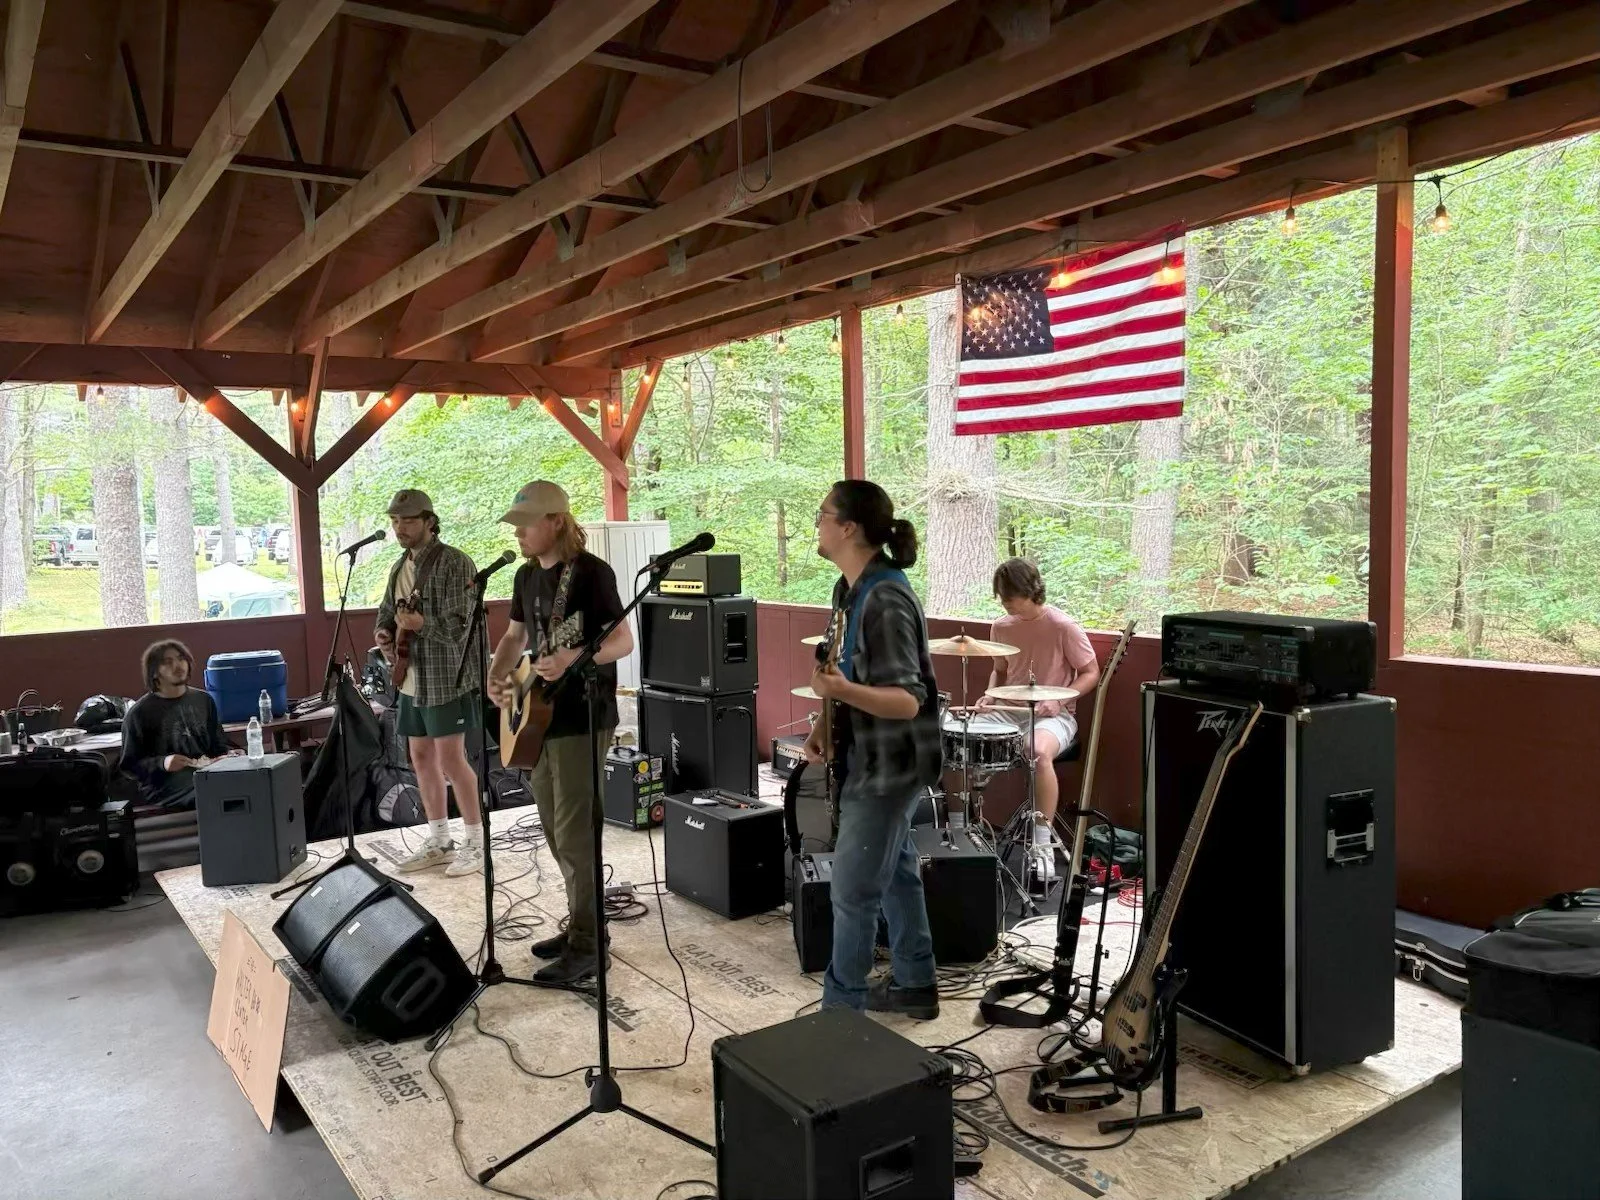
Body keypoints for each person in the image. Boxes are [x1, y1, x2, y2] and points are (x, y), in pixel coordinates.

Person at [803, 480, 943, 1019]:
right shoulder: (848, 591)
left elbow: (908, 700)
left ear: (848, 527)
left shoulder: (886, 598)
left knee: (853, 890)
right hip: (864, 753)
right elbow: (841, 671)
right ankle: (914, 982)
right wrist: (824, 721)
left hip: (893, 764)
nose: (816, 525)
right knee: (899, 868)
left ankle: (842, 1014)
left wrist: (838, 693)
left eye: (822, 515)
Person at [487, 481, 631, 985]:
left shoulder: (591, 575)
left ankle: (591, 945)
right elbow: (515, 636)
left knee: (574, 833)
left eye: (526, 523)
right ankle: (582, 929)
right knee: (553, 828)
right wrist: (498, 675)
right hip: (538, 720)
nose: (520, 533)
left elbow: (622, 640)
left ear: (555, 522)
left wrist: (575, 656)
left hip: (581, 718)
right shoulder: (528, 576)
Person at [374, 488, 486, 878]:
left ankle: (476, 842)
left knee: (452, 759)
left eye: (407, 520)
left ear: (429, 521)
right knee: (419, 757)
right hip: (411, 677)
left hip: (446, 677)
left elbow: (464, 625)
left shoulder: (455, 563)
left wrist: (423, 625)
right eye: (395, 521)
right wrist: (385, 635)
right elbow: (388, 612)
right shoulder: (398, 566)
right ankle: (439, 838)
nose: (400, 528)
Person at [976, 557, 1101, 885]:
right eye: (1000, 596)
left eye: (1009, 595)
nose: (1003, 602)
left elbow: (1091, 673)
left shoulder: (1063, 626)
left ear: (1030, 590)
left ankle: (1042, 843)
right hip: (1010, 710)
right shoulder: (1000, 626)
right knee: (965, 737)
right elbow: (1000, 671)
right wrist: (990, 695)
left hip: (1055, 715)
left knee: (1036, 750)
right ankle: (965, 831)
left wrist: (1059, 698)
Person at [121, 640, 238, 809]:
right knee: (217, 791)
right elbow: (129, 766)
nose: (178, 665)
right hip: (165, 786)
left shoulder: (204, 700)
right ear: (154, 673)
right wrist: (163, 763)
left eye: (181, 659)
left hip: (207, 774)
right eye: (167, 662)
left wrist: (230, 753)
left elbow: (217, 744)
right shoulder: (139, 713)